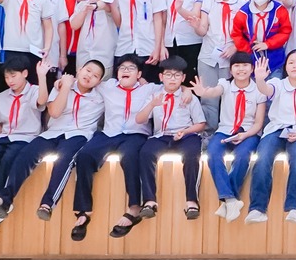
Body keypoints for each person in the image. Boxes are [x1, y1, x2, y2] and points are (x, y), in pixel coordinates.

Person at [75, 56, 159, 240]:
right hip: (109, 133)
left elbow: (172, 86)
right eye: (122, 68)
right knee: (85, 155)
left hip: (136, 133)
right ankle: (83, 210)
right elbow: (85, 80)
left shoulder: (149, 89)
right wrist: (60, 83)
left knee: (129, 156)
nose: (125, 70)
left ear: (139, 74)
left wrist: (186, 90)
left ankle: (134, 207)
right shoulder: (107, 86)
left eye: (131, 68)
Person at [27, 59, 105, 223]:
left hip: (79, 135)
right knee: (25, 154)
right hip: (54, 132)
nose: (89, 76)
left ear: (99, 81)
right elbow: (54, 113)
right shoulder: (62, 85)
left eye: (95, 75)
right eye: (88, 71)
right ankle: (3, 198)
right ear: (79, 69)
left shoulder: (102, 93)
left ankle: (47, 204)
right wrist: (65, 86)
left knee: (64, 159)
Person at [251, 48, 296, 224]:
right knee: (262, 158)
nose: (295, 66)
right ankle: (257, 208)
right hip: (276, 129)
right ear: (286, 67)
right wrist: (259, 79)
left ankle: (294, 207)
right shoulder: (278, 83)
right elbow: (266, 89)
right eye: (291, 62)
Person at [0, 60, 49, 223]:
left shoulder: (34, 91)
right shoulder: (2, 96)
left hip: (25, 136)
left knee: (9, 159)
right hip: (4, 136)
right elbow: (1, 124)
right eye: (7, 77)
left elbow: (42, 101)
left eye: (13, 76)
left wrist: (42, 76)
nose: (10, 80)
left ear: (25, 73)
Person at [197, 50, 267, 222]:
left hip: (248, 132)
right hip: (225, 130)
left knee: (242, 156)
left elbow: (258, 123)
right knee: (212, 154)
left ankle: (229, 199)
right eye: (236, 66)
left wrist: (245, 135)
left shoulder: (259, 90)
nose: (241, 69)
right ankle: (230, 199)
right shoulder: (225, 84)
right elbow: (215, 91)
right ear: (230, 70)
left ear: (252, 69)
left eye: (245, 65)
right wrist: (204, 92)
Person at [139, 58, 209, 221]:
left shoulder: (189, 97)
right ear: (161, 77)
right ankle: (149, 201)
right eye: (168, 75)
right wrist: (151, 105)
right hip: (161, 136)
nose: (172, 79)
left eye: (177, 75)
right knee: (145, 153)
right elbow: (139, 119)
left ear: (183, 78)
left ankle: (192, 201)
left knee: (192, 154)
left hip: (186, 135)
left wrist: (185, 131)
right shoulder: (155, 96)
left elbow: (201, 124)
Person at [232, 0, 292, 76]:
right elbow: (236, 34)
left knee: (274, 85)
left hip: (275, 59)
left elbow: (285, 31)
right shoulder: (243, 12)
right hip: (251, 60)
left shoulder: (279, 10)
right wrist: (248, 50)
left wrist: (268, 44)